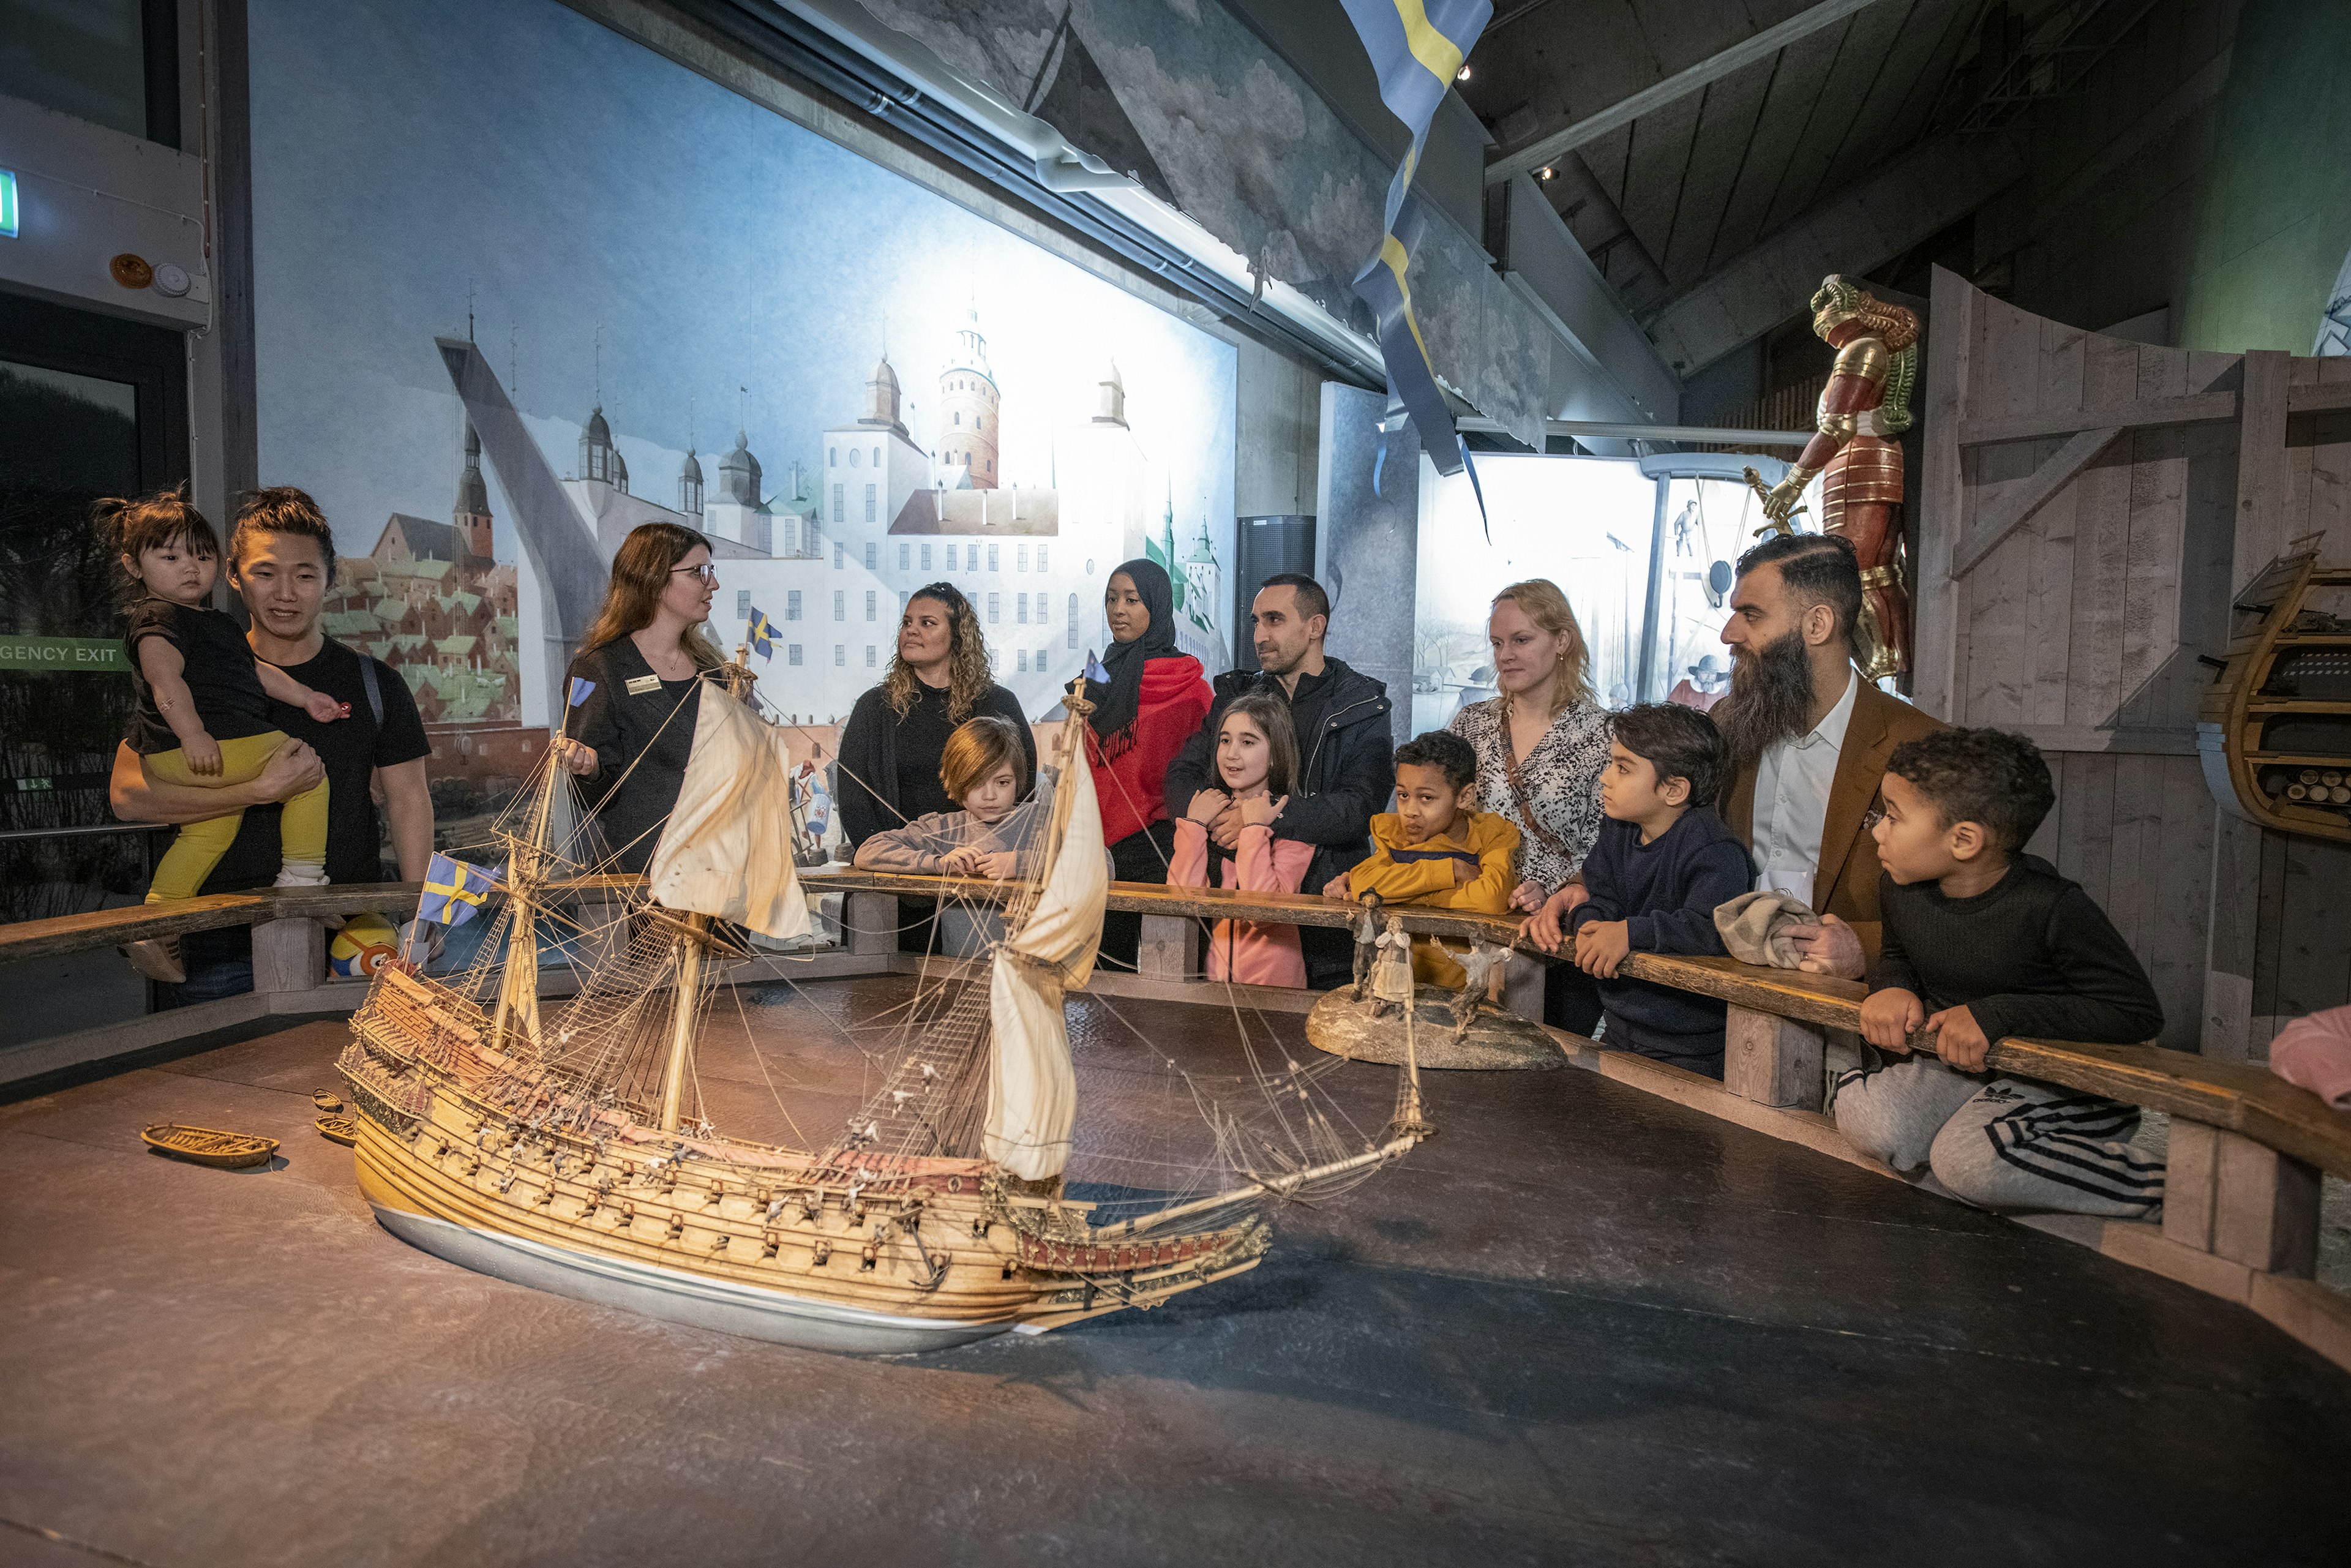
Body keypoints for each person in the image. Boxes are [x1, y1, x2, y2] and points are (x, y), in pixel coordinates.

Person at [109, 487, 435, 1000]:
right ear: (235, 576)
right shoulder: (189, 670)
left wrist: (422, 915)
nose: (286, 592)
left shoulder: (376, 684)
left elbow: (410, 800)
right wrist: (259, 792)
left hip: (347, 934)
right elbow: (128, 797)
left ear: (329, 580)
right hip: (219, 938)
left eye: (305, 575)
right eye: (265, 573)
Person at [1843, 729, 2165, 1217]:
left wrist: (1998, 1014)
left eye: (1894, 816)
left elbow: (2136, 1013)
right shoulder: (1900, 889)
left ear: (1965, 840)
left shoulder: (2052, 906)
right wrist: (1890, 987)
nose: (1877, 830)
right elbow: (1899, 955)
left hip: (2059, 1081)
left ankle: (2178, 1193)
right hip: (1962, 1068)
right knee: (1869, 1121)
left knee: (1968, 1165)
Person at [1712, 531, 1942, 981]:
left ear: (1818, 624)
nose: (1729, 633)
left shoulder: (1920, 745)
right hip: (1723, 990)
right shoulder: (1727, 721)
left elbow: (1968, 905)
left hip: (1851, 1018)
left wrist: (1869, 951)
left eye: (1751, 614)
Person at [1163, 573, 1391, 989]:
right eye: (1255, 622)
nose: (1259, 635)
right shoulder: (1236, 697)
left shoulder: (1361, 705)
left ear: (1315, 627)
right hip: (1229, 923)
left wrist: (1263, 820)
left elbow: (1360, 807)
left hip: (1328, 915)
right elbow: (1181, 775)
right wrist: (1214, 818)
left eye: (1274, 620)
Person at [1449, 580, 1613, 1031]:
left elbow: (1611, 844)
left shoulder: (1602, 734)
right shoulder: (1472, 724)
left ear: (1562, 640)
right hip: (1474, 928)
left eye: (1521, 640)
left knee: (1550, 1071)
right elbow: (1436, 815)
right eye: (1498, 643)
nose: (1506, 655)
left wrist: (1558, 891)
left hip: (1558, 938)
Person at [836, 582, 1033, 953]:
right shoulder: (874, 708)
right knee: (885, 996)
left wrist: (989, 859)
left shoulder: (997, 704)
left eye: (928, 623)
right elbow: (855, 802)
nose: (912, 630)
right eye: (907, 622)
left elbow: (1022, 788)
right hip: (897, 881)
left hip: (978, 886)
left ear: (958, 637)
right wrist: (906, 868)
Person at [1564, 704, 1753, 1078]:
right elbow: (1601, 898)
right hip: (1620, 1027)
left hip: (1691, 1046)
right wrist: (1590, 924)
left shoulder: (1714, 850)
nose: (1605, 778)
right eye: (1611, 763)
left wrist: (1630, 933)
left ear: (1674, 789)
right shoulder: (1618, 828)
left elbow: (1713, 928)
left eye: (1623, 768)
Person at [554, 523, 731, 875]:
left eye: (711, 571)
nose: (713, 584)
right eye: (699, 572)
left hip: (720, 870)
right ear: (654, 579)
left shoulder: (714, 669)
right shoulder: (598, 669)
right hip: (641, 880)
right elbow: (592, 797)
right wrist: (588, 769)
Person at [852, 716, 1092, 957]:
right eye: (977, 783)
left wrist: (1021, 863)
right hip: (960, 974)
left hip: (1037, 976)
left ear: (1018, 780)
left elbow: (1101, 862)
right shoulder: (946, 828)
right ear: (958, 782)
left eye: (1002, 782)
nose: (990, 795)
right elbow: (869, 851)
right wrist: (938, 863)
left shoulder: (1044, 822)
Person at [1085, 560, 1212, 972]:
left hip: (1164, 846)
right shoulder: (1096, 678)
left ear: (1156, 606)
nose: (1118, 610)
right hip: (1101, 847)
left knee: (1168, 974)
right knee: (1104, 974)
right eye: (1111, 599)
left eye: (1132, 599)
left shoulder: (1189, 686)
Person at [1324, 730, 1518, 989]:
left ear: (1465, 797)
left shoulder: (1493, 834)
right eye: (1403, 796)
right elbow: (1364, 886)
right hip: (1398, 986)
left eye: (1426, 798)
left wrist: (1401, 891)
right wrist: (1449, 871)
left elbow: (1491, 898)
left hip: (1466, 991)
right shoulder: (1394, 834)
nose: (1410, 812)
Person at [1171, 693, 1314, 985]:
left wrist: (1252, 829)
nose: (1231, 754)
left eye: (1247, 742)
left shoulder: (1293, 823)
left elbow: (1262, 911)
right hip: (1214, 985)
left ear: (1275, 756)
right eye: (1225, 740)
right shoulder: (1211, 815)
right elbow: (1180, 903)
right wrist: (1195, 826)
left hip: (1277, 991)